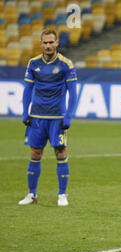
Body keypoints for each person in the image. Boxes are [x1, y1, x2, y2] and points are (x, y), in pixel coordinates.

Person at [18, 29, 77, 206]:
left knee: (60, 152)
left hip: (57, 117)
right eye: (45, 43)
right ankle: (32, 194)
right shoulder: (33, 63)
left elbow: (73, 93)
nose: (48, 46)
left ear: (57, 43)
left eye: (51, 42)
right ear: (41, 43)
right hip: (37, 116)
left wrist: (68, 116)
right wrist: (24, 111)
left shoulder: (66, 64)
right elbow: (28, 89)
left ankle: (62, 194)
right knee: (35, 153)